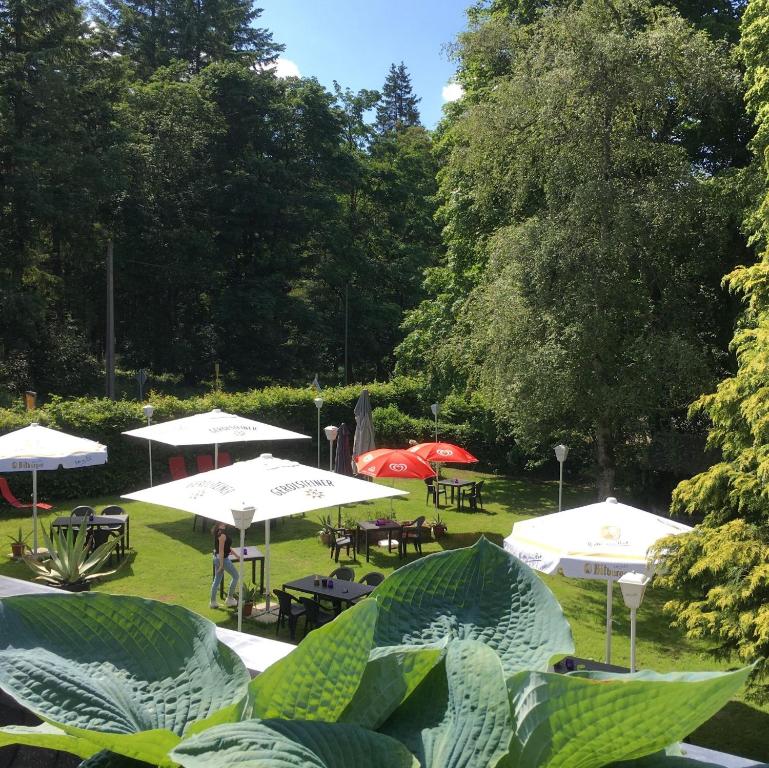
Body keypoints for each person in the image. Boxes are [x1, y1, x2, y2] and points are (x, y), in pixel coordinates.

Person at [210, 522, 239, 609]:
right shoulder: (222, 534)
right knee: (236, 576)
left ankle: (213, 602)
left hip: (217, 558)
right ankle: (229, 599)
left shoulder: (219, 531)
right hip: (222, 559)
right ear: (220, 523)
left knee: (217, 581)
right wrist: (222, 565)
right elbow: (221, 550)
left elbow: (227, 547)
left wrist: (237, 555)